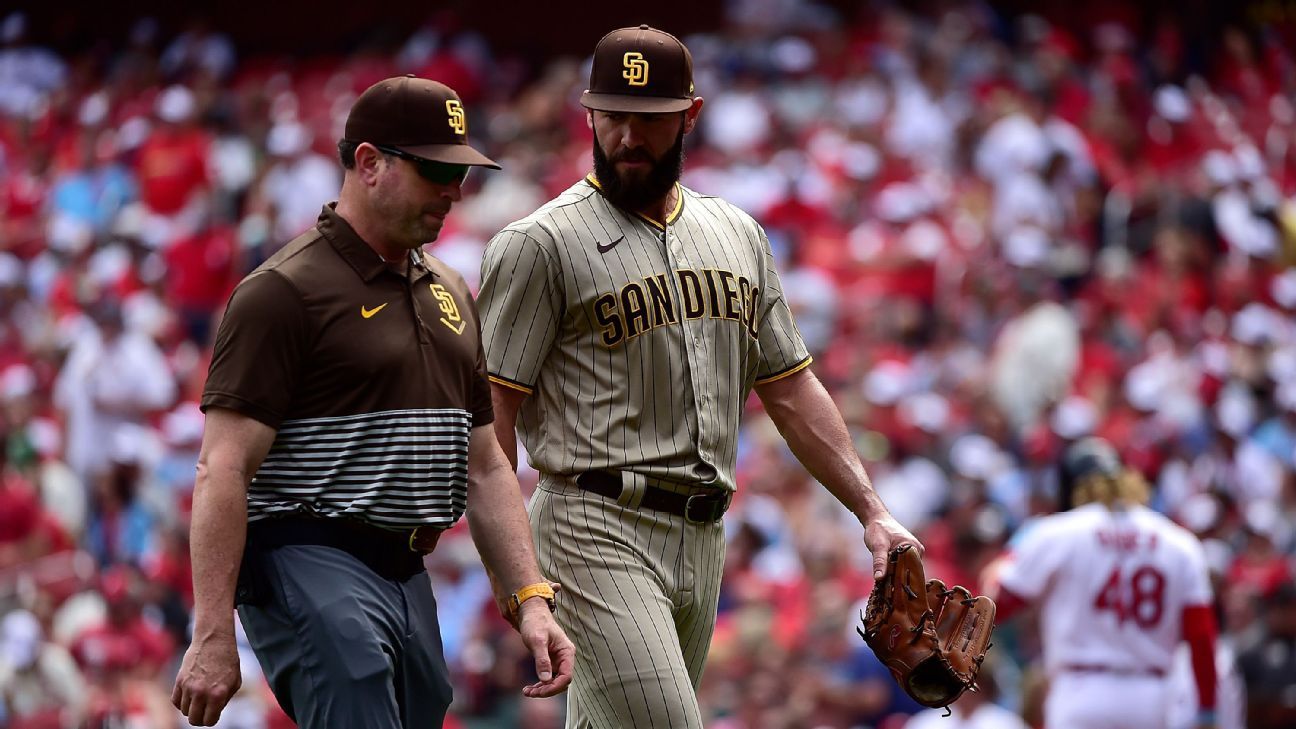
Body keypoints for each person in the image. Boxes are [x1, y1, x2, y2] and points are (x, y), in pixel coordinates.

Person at [478, 25, 918, 728]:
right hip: (593, 524)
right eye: (612, 115)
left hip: (703, 533)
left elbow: (790, 386)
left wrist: (870, 508)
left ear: (689, 115)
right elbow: (491, 418)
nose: (626, 136)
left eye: (647, 119)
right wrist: (522, 581)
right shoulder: (541, 244)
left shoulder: (736, 232)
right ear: (588, 113)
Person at [171, 75, 574, 729]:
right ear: (368, 163)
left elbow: (486, 467)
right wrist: (212, 630)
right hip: (306, 549)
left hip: (404, 560)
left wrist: (530, 598)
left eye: (461, 175)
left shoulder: (449, 289)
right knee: (358, 687)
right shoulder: (281, 292)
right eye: (435, 171)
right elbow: (223, 468)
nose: (453, 191)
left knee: (423, 709)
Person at [985, 437, 1219, 729]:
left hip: (1080, 691)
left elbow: (998, 603)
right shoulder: (1179, 542)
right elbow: (1202, 636)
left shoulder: (1056, 532)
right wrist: (1208, 710)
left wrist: (1001, 566)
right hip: (1151, 696)